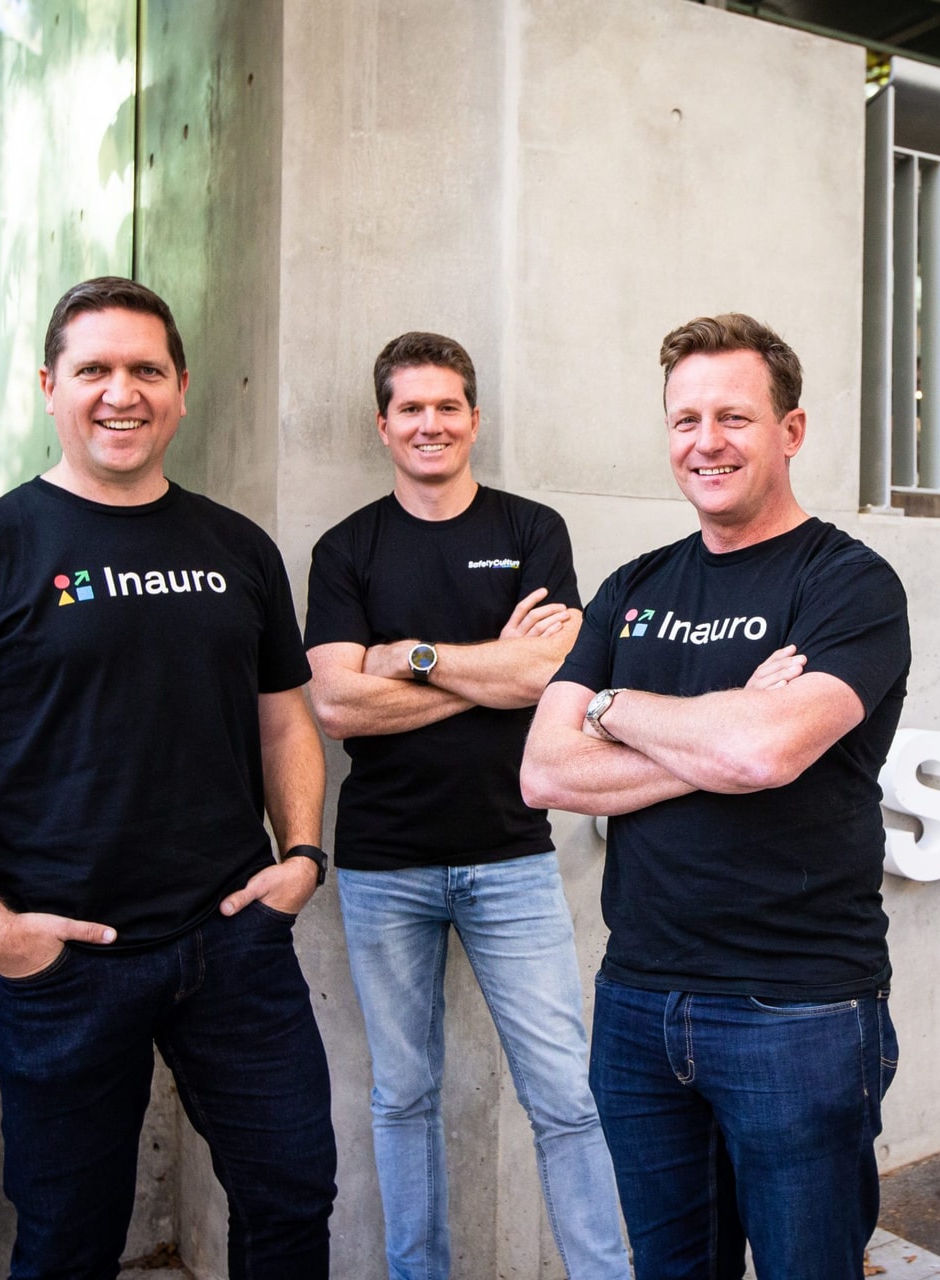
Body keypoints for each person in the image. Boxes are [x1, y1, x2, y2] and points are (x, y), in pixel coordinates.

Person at [0, 277, 336, 1279]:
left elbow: (285, 717)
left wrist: (300, 854)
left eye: (146, 370)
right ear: (50, 387)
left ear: (181, 390)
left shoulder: (239, 548)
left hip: (234, 942)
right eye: (95, 370)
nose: (122, 393)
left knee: (292, 1199)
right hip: (63, 960)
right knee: (69, 1242)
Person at [522, 312, 913, 1280]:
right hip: (638, 1001)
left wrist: (613, 710)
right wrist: (724, 717)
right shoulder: (634, 586)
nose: (706, 442)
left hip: (797, 1011)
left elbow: (769, 752)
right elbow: (545, 771)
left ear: (791, 429)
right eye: (685, 419)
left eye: (734, 417)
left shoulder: (849, 584)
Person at [303, 331, 628, 1280]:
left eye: (448, 406)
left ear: (474, 419)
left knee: (564, 1095)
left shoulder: (531, 531)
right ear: (383, 425)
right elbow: (335, 705)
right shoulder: (346, 548)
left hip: (510, 853)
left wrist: (412, 658)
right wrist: (494, 668)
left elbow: (552, 677)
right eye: (411, 408)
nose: (430, 423)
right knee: (403, 1098)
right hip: (383, 864)